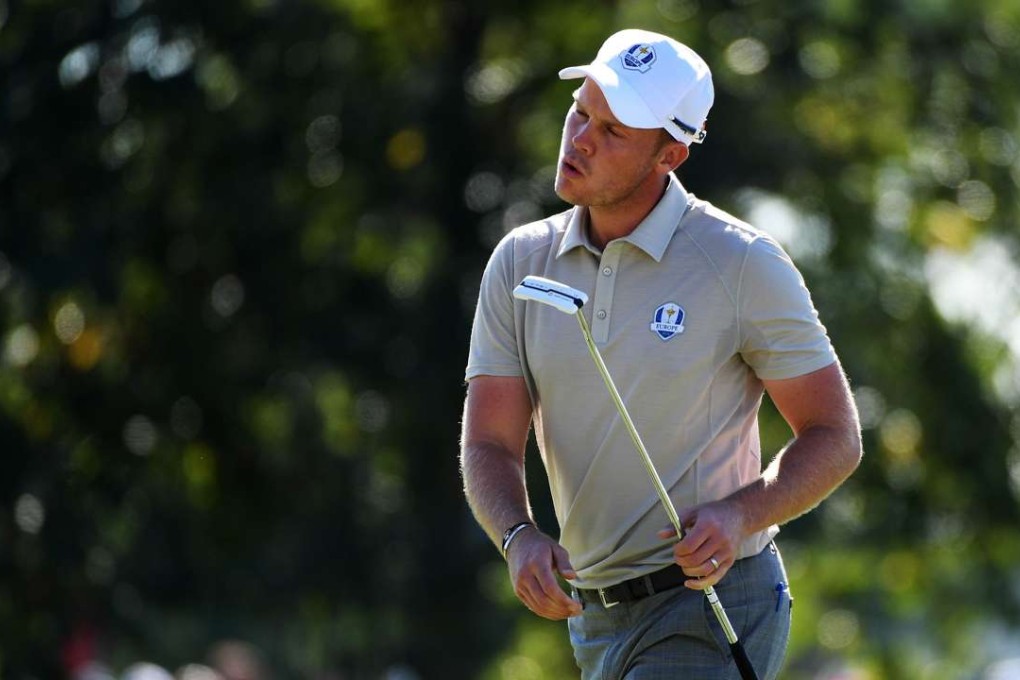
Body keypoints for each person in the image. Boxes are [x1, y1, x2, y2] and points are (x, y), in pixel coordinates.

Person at [460, 28, 862, 679]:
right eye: (580, 111)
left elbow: (835, 434)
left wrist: (740, 515)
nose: (580, 137)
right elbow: (489, 443)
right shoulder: (519, 262)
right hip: (592, 622)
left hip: (713, 606)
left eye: (613, 131)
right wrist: (517, 536)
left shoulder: (741, 263)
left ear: (670, 154)